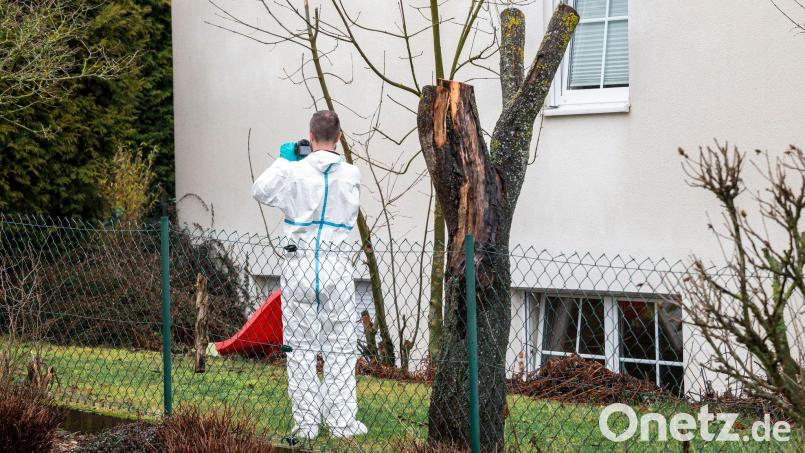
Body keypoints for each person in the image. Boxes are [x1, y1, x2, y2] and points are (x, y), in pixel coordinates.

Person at [251, 111, 366, 440]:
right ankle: (342, 422)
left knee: (299, 349)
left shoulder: (294, 172)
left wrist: (284, 160)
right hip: (336, 265)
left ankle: (306, 424)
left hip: (299, 264)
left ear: (310, 137)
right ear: (339, 137)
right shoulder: (351, 174)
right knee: (340, 346)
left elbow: (260, 191)